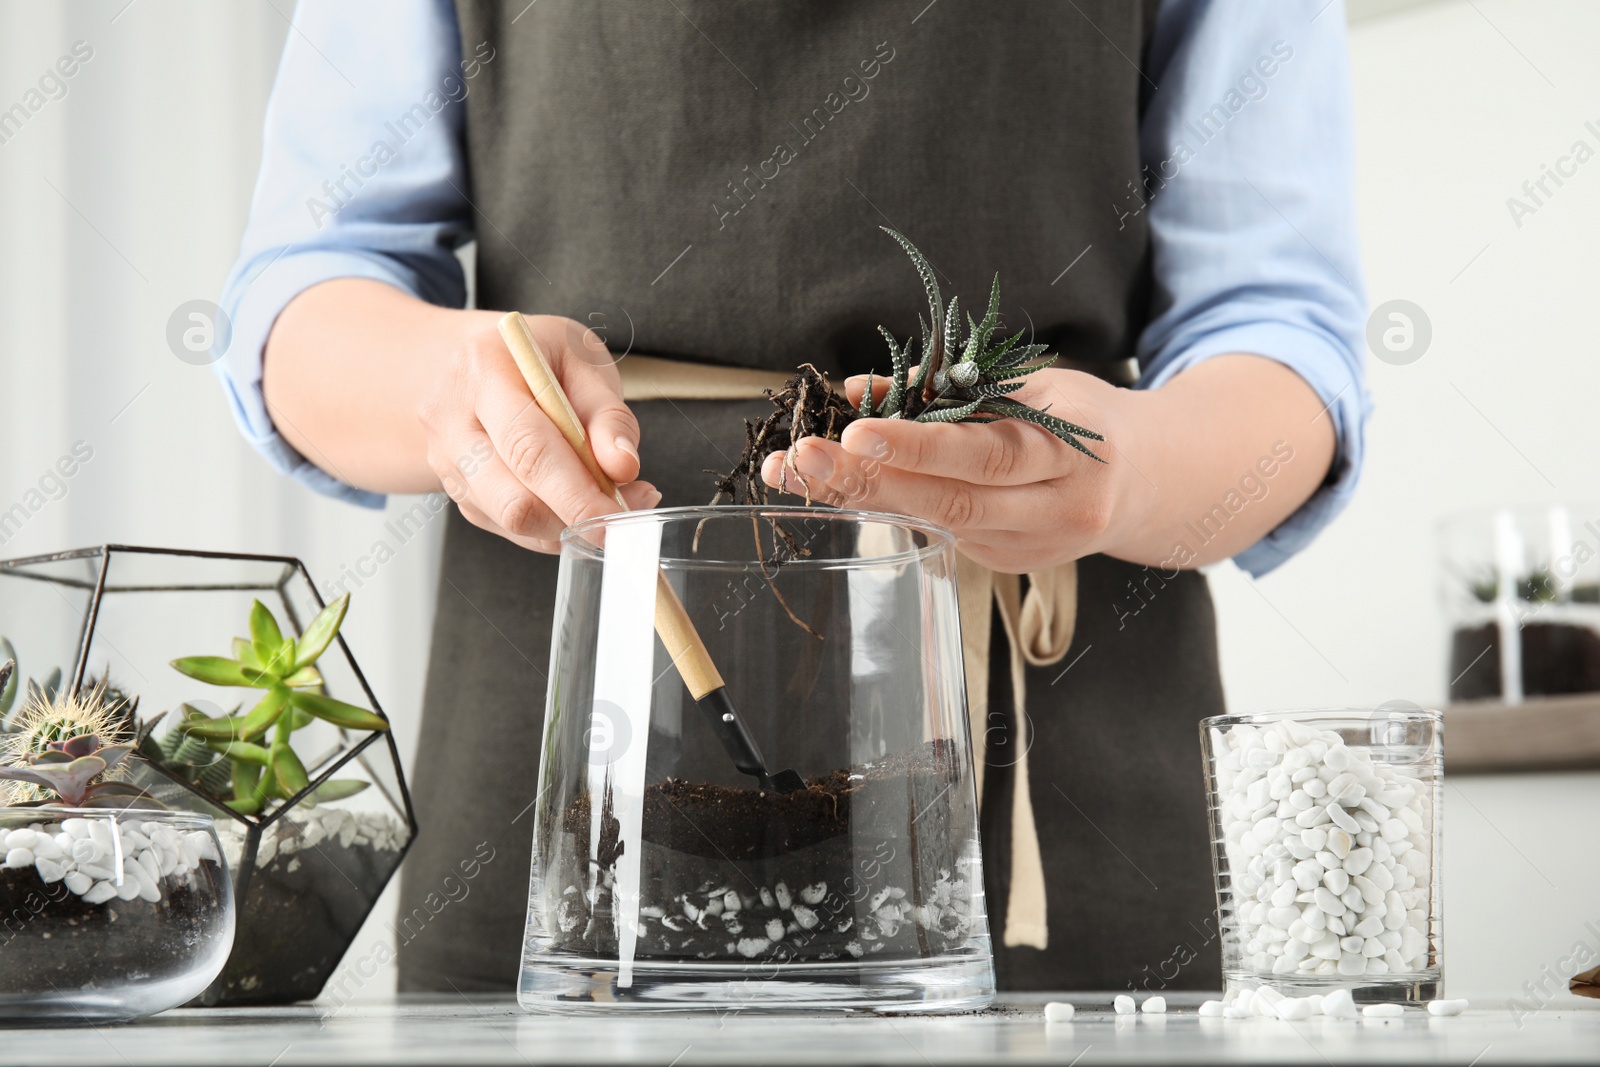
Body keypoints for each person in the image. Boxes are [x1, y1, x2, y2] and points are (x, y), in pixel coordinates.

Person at [219, 0, 1368, 993]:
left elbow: (1277, 331)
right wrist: (450, 382)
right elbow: (305, 293)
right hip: (574, 764)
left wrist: (1127, 470)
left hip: (1060, 798)